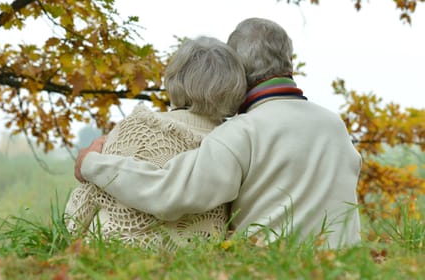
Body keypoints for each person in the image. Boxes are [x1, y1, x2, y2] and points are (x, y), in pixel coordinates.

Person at [75, 18, 362, 248]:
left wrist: (92, 163)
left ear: (239, 72)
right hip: (341, 266)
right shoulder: (334, 124)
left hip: (271, 265)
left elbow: (171, 192)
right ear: (288, 60)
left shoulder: (244, 131)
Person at [64, 36, 247, 249]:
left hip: (110, 255)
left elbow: (79, 214)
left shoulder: (135, 129)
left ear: (174, 79)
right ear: (235, 88)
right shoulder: (234, 144)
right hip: (193, 263)